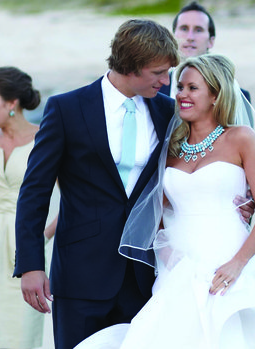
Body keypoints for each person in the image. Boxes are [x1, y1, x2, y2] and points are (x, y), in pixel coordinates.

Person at [76, 53, 255, 349]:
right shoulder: (169, 147)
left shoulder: (241, 139)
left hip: (227, 256)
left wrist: (237, 263)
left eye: (193, 88)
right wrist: (169, 257)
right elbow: (157, 211)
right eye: (180, 87)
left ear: (215, 95)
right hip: (177, 263)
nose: (182, 95)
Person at [12, 19, 179, 349]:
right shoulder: (67, 108)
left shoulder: (167, 111)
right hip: (80, 274)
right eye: (158, 72)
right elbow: (34, 191)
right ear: (131, 66)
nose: (166, 80)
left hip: (144, 273)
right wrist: (31, 264)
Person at [0, 67, 57, 349]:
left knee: (20, 335)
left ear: (12, 103)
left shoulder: (45, 139)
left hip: (25, 250)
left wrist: (41, 237)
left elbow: (70, 201)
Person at [159, 1, 251, 102]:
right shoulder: (153, 89)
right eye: (184, 29)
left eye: (198, 30)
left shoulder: (237, 95)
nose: (190, 37)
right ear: (173, 37)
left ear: (211, 41)